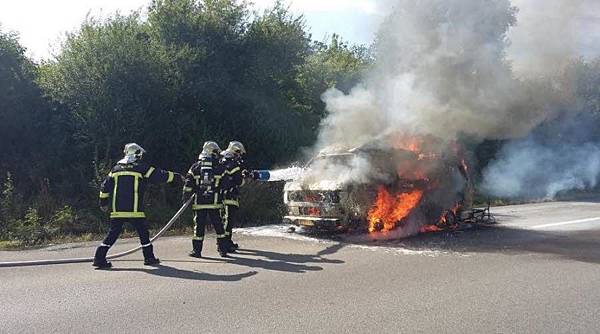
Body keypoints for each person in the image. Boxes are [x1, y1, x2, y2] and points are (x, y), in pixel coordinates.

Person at [93, 143, 180, 269]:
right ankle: (149, 258)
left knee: (112, 234)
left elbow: (104, 187)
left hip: (117, 211)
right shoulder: (140, 168)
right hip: (134, 210)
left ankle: (99, 258)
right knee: (143, 234)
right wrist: (176, 177)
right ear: (136, 154)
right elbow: (159, 175)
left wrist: (103, 203)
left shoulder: (115, 169)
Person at [183, 141, 229, 258]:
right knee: (219, 226)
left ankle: (196, 251)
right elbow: (226, 184)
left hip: (199, 204)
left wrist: (185, 200)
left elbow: (188, 185)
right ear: (213, 152)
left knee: (198, 227)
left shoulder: (195, 167)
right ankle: (222, 250)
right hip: (215, 203)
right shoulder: (220, 168)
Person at [220, 141, 250, 252]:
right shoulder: (234, 164)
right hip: (230, 196)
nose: (240, 156)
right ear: (235, 152)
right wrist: (243, 176)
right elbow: (238, 182)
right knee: (228, 220)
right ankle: (226, 243)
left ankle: (225, 242)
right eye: (239, 154)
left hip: (219, 196)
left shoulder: (222, 161)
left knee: (224, 220)